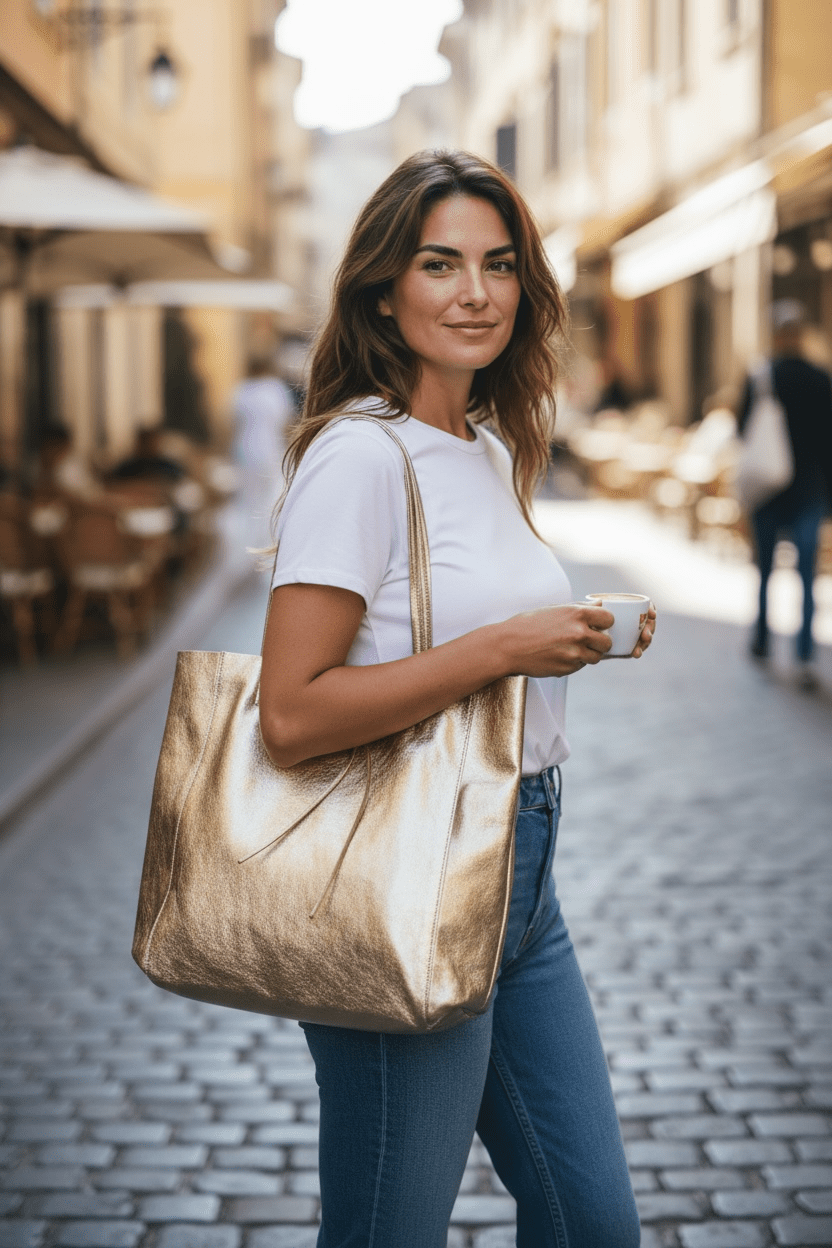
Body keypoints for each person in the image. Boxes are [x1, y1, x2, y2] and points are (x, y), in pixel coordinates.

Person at [258, 150, 655, 1248]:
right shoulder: (359, 455)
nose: (476, 292)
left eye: (499, 265)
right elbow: (291, 714)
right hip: (406, 872)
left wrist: (567, 634)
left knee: (593, 1224)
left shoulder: (485, 445)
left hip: (523, 874)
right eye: (440, 264)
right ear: (384, 288)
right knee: (390, 1230)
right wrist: (502, 648)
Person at [737, 301, 832, 687]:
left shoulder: (761, 375)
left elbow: (742, 430)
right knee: (807, 576)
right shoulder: (821, 378)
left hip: (769, 489)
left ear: (776, 335)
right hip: (810, 490)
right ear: (801, 335)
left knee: (765, 570)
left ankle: (761, 640)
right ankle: (804, 655)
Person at [231, 354, 296, 551]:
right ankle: (263, 542)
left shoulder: (241, 390)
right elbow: (287, 423)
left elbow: (231, 424)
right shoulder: (275, 389)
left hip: (245, 449)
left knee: (247, 499)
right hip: (270, 448)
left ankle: (244, 543)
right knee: (269, 497)